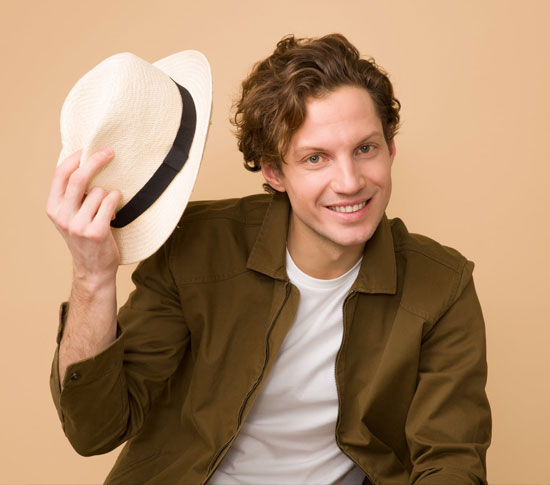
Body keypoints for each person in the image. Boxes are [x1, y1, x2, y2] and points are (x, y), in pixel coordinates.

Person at [47, 34, 491, 484]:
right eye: (316, 158)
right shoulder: (193, 248)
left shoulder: (441, 285)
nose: (350, 181)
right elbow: (95, 429)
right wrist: (91, 278)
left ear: (390, 150)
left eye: (365, 149)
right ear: (275, 171)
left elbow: (451, 460)